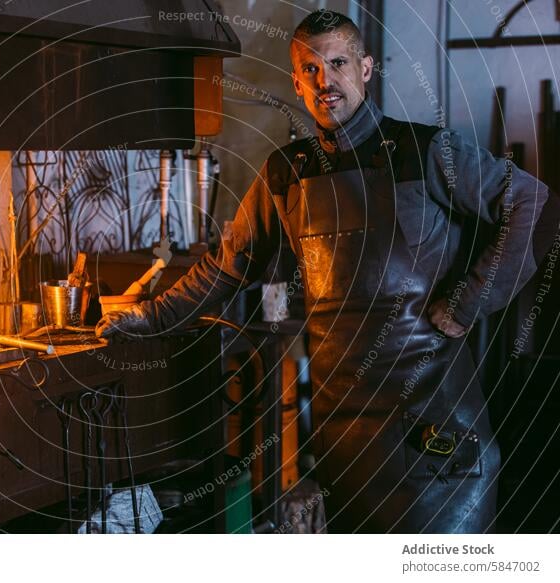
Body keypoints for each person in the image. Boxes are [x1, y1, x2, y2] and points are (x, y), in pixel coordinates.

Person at [95, 9, 560, 533]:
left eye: (337, 63)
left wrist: (467, 303)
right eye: (311, 70)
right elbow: (225, 268)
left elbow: (534, 206)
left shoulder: (427, 151)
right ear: (296, 82)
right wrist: (149, 317)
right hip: (346, 449)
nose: (326, 81)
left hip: (437, 447)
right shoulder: (286, 173)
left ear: (364, 68)